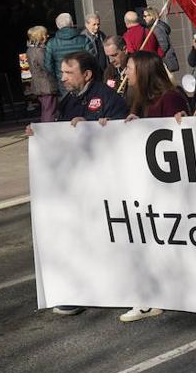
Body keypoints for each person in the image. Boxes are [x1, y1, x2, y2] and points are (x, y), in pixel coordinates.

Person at [31, 50, 127, 315]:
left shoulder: (109, 98)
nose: (62, 78)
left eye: (68, 72)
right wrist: (39, 137)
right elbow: (60, 133)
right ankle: (76, 291)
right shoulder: (67, 101)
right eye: (62, 72)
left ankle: (125, 286)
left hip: (106, 184)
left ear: (86, 74)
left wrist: (91, 126)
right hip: (76, 185)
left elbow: (124, 137)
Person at [109, 50, 188, 323]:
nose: (125, 73)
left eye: (128, 68)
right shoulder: (138, 101)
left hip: (168, 188)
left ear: (142, 71)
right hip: (146, 186)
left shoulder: (171, 98)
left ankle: (164, 293)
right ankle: (151, 296)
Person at [124, 50, 188, 120]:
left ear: (143, 71)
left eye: (129, 68)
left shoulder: (170, 99)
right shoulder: (141, 100)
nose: (126, 72)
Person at [44, 12, 91, 83]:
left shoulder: (51, 43)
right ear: (72, 23)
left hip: (63, 79)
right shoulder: (84, 39)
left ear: (57, 26)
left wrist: (58, 76)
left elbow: (48, 66)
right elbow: (91, 59)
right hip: (82, 77)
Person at [25, 26, 58, 122]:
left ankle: (46, 130)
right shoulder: (39, 51)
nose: (47, 36)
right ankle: (48, 132)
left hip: (39, 85)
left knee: (46, 110)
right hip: (46, 85)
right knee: (49, 111)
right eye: (45, 34)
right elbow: (47, 67)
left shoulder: (30, 50)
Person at [143, 7, 179, 72]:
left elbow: (164, 45)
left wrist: (156, 58)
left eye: (145, 16)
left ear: (151, 16)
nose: (144, 18)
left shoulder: (156, 28)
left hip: (165, 60)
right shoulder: (153, 27)